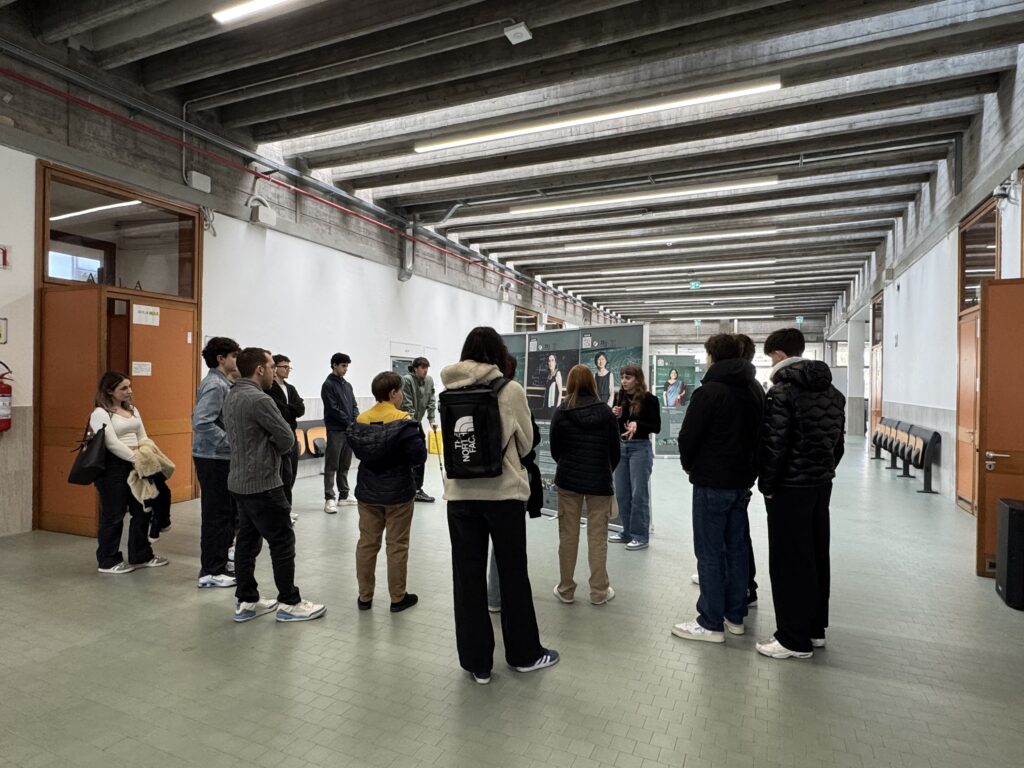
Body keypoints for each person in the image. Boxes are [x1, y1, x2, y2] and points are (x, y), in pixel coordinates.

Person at [441, 327, 559, 685]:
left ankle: (477, 663)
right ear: (498, 353)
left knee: (467, 579)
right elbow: (525, 444)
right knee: (512, 575)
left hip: (460, 497)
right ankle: (524, 655)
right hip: (503, 496)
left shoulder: (449, 390)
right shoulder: (509, 390)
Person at [757, 328, 845, 659]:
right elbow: (837, 445)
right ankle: (814, 628)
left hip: (789, 488)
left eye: (770, 358)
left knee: (789, 561)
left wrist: (768, 486)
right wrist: (821, 470)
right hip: (821, 485)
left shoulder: (782, 393)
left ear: (779, 355)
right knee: (816, 555)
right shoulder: (833, 393)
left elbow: (774, 447)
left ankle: (793, 639)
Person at [672, 334, 764, 644]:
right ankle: (735, 616)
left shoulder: (709, 392)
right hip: (742, 481)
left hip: (712, 481)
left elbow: (689, 436)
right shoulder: (754, 389)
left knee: (709, 552)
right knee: (736, 548)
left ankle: (710, 621)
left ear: (712, 356)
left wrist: (690, 466)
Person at [224, 347, 325, 623]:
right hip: (263, 483)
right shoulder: (260, 399)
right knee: (282, 541)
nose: (273, 371)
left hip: (239, 481)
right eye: (271, 367)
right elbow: (287, 439)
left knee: (247, 541)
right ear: (260, 369)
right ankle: (289, 603)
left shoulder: (232, 394)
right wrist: (269, 447)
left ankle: (246, 600)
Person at [348, 371, 426, 613]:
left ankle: (364, 597)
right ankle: (397, 597)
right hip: (398, 493)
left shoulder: (360, 420)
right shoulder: (404, 422)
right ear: (393, 393)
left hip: (368, 492)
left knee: (367, 543)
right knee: (397, 545)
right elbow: (419, 456)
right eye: (401, 391)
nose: (402, 396)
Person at [550, 365, 620, 605]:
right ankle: (599, 592)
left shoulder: (562, 412)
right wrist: (604, 470)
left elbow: (555, 449)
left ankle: (566, 589)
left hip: (568, 481)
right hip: (599, 482)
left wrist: (568, 465)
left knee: (568, 536)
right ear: (592, 383)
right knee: (598, 538)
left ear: (570, 384)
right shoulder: (606, 413)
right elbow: (615, 451)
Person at [90, 372, 170, 574]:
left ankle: (141, 554)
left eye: (129, 386)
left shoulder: (133, 410)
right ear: (110, 391)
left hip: (137, 465)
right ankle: (108, 560)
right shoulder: (100, 413)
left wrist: (145, 454)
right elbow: (111, 443)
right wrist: (136, 458)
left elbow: (142, 435)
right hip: (113, 468)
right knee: (114, 515)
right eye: (123, 388)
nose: (129, 391)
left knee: (142, 510)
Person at [192, 336, 240, 589]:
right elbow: (201, 422)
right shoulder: (215, 385)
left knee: (227, 513)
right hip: (212, 458)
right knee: (216, 514)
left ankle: (219, 562)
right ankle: (210, 570)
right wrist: (229, 442)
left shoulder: (224, 383)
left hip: (221, 457)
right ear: (221, 359)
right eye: (234, 356)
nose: (237, 360)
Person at [608, 364, 660, 550]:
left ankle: (640, 536)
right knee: (622, 493)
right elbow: (618, 425)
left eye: (628, 377)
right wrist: (615, 415)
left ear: (637, 380)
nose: (623, 381)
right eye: (622, 377)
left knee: (638, 495)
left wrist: (638, 425)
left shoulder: (650, 399)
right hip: (622, 448)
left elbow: (656, 427)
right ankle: (627, 532)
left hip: (640, 448)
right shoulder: (619, 397)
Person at [321, 352, 358, 513]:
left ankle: (344, 495)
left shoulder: (347, 385)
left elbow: (354, 405)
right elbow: (333, 408)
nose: (346, 369)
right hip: (335, 430)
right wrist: (349, 421)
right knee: (332, 465)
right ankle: (329, 498)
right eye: (343, 366)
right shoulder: (328, 385)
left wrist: (355, 420)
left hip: (348, 430)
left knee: (345, 464)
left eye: (347, 366)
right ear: (334, 365)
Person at [269, 354, 305, 515]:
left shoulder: (290, 388)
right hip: (278, 436)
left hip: (292, 434)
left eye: (289, 367)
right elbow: (279, 412)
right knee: (282, 473)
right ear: (275, 368)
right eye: (284, 366)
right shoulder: (269, 388)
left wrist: (288, 409)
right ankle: (281, 511)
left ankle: (287, 508)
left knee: (292, 472)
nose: (288, 369)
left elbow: (300, 409)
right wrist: (290, 409)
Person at [400, 356, 437, 503]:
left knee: (421, 455)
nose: (425, 370)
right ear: (415, 368)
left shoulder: (429, 381)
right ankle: (408, 488)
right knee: (408, 456)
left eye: (427, 367)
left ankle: (417, 489)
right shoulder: (407, 380)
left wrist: (432, 419)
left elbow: (431, 400)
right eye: (422, 367)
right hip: (406, 423)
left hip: (417, 423)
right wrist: (413, 425)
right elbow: (407, 404)